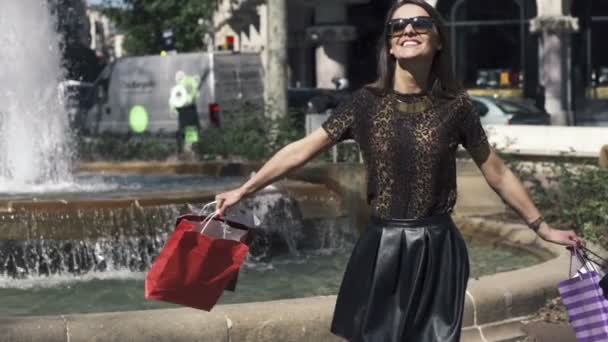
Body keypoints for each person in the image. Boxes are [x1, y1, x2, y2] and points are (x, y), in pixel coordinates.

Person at [214, 1, 584, 341]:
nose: (408, 30)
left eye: (420, 23)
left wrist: (543, 228)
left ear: (438, 40)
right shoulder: (364, 103)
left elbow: (498, 173)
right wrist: (244, 190)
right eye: (398, 26)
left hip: (438, 248)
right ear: (390, 46)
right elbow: (300, 151)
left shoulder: (457, 108)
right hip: (383, 246)